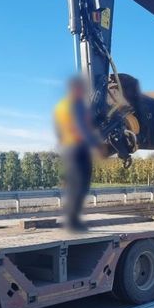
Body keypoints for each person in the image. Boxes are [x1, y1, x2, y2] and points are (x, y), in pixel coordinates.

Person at [55, 77, 100, 231]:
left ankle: (71, 219)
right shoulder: (77, 104)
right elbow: (83, 128)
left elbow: (58, 130)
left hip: (68, 149)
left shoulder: (61, 106)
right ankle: (73, 221)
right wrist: (96, 144)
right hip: (79, 147)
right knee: (81, 185)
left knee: (74, 185)